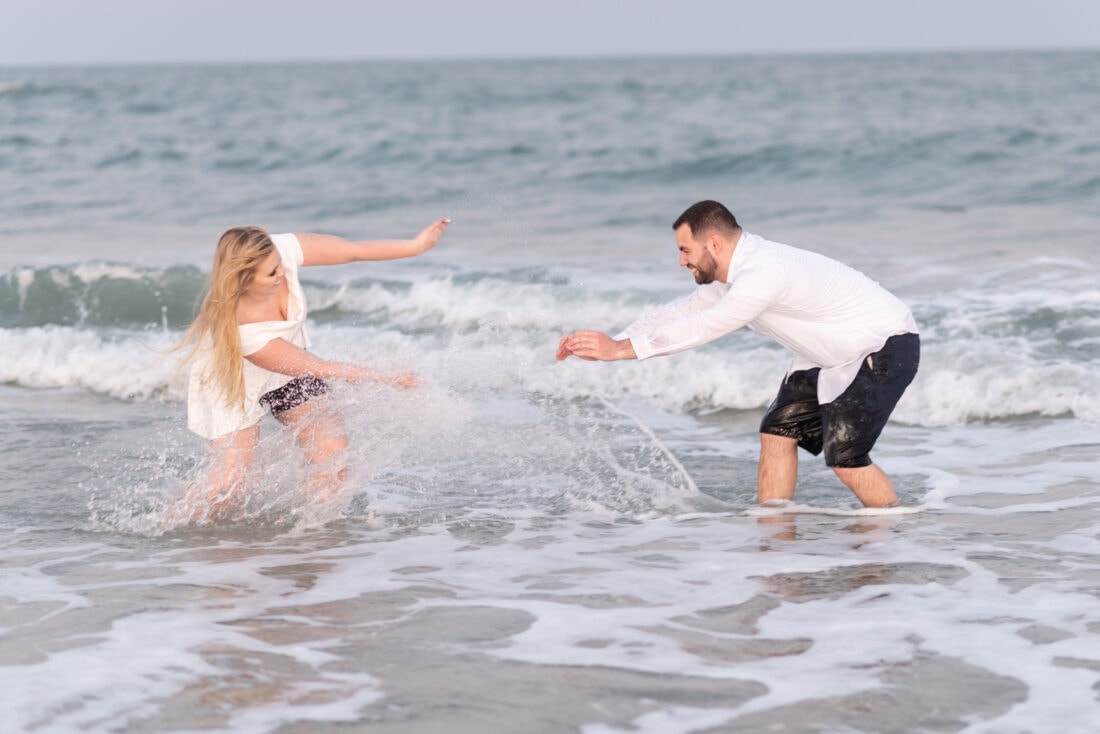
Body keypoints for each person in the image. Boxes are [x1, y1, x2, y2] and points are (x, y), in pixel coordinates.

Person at [557, 200, 918, 508]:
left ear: (713, 243)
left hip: (882, 343)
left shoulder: (764, 272)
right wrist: (614, 340)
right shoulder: (736, 272)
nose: (681, 262)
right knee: (778, 431)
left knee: (845, 457)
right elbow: (685, 311)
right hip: (829, 352)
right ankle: (774, 538)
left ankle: (886, 542)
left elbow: (711, 324)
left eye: (685, 250)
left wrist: (621, 350)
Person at [175, 218, 449, 519]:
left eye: (279, 263)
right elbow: (318, 367)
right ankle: (174, 525)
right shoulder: (245, 331)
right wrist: (389, 377)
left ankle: (310, 534)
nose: (283, 272)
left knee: (332, 454)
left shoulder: (274, 252)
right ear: (244, 279)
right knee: (233, 482)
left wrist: (416, 246)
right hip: (232, 380)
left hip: (287, 363)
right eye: (271, 272)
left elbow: (351, 250)